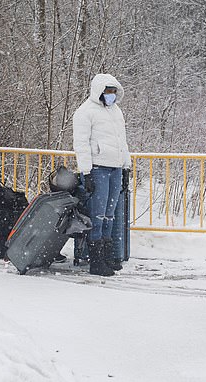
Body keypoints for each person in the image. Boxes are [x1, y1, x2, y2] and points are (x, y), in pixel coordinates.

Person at [73, 73, 131, 276]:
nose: (111, 95)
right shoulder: (85, 112)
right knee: (97, 215)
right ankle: (95, 261)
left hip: (115, 168)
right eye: (108, 91)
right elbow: (81, 144)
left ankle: (106, 256)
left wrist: (126, 167)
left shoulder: (116, 112)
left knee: (110, 214)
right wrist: (86, 172)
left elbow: (122, 142)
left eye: (114, 92)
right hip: (98, 168)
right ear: (99, 92)